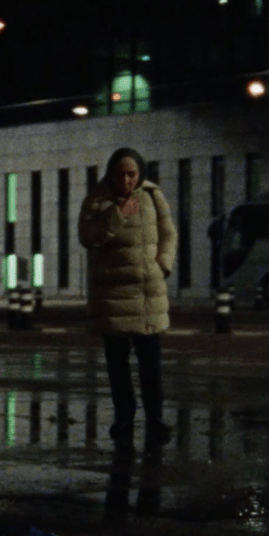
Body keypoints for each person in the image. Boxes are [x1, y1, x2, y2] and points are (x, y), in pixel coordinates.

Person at [78, 148, 177, 446]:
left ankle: (155, 417)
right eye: (120, 174)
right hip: (112, 296)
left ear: (140, 173)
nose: (126, 180)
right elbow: (88, 237)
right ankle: (124, 417)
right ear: (111, 174)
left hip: (146, 294)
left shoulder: (153, 196)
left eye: (131, 174)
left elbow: (168, 233)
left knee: (151, 362)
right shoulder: (97, 200)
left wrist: (162, 266)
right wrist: (119, 214)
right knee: (117, 363)